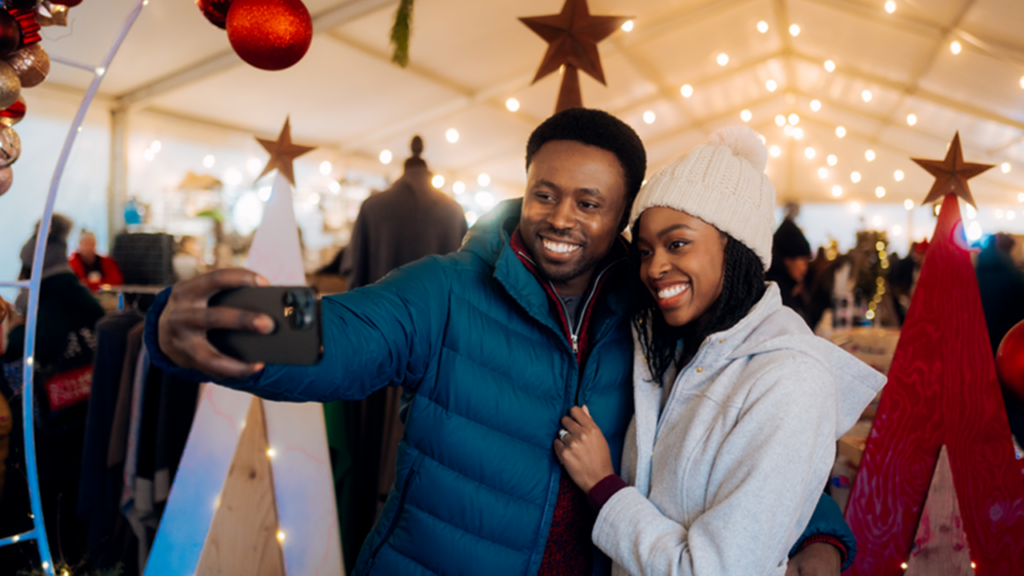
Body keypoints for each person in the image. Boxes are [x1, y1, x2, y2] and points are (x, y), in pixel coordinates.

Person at [147, 109, 853, 575]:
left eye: (589, 203)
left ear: (621, 219)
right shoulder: (448, 290)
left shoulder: (650, 311)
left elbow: (739, 423)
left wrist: (818, 530)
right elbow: (345, 334)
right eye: (546, 193)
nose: (561, 217)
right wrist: (207, 323)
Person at [552, 127, 885, 575]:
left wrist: (603, 486)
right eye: (646, 250)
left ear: (736, 245)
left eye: (678, 243)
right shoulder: (671, 348)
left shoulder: (790, 380)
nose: (654, 267)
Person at [765, 216, 813, 326]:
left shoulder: (791, 288)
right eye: (802, 262)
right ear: (787, 260)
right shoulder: (775, 291)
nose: (805, 269)